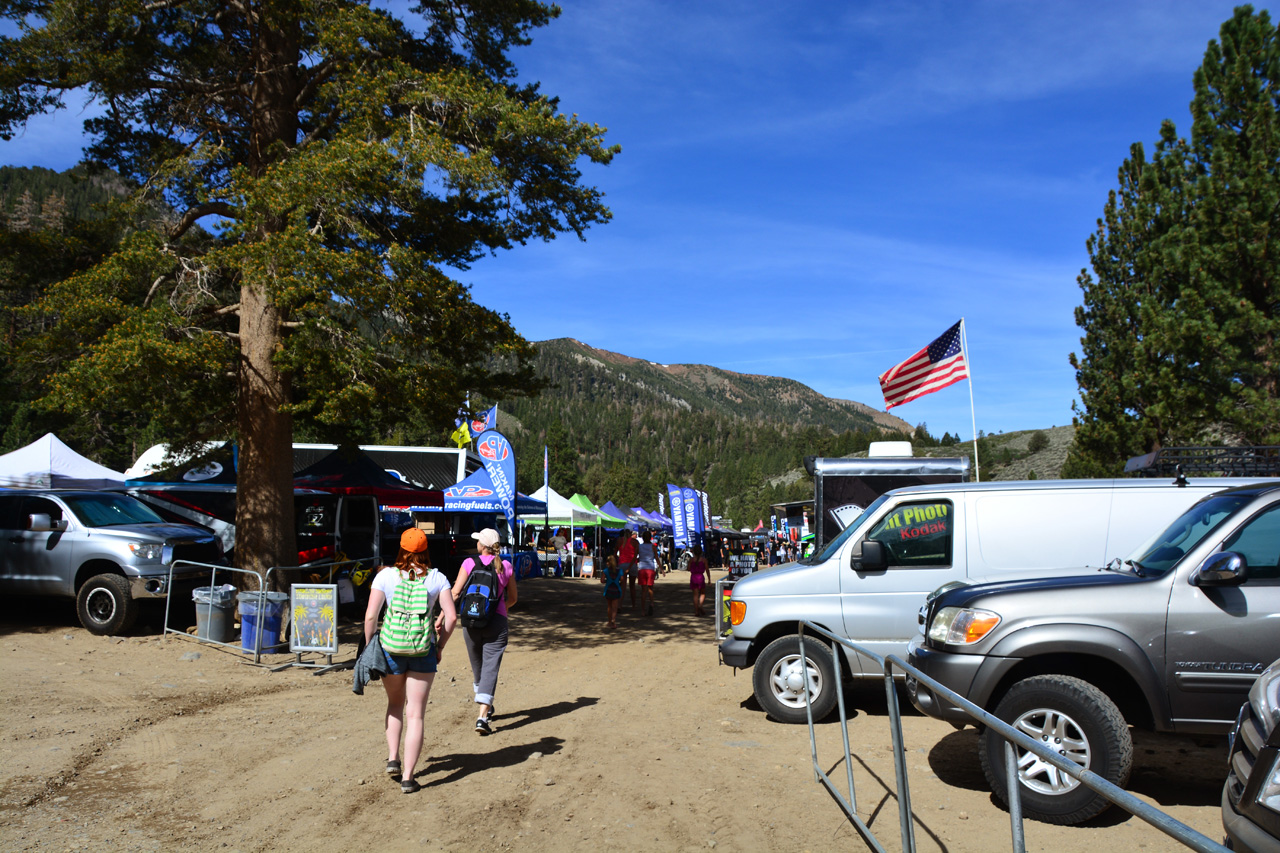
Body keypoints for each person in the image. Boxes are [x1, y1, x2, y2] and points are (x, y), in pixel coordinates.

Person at [363, 527, 456, 794]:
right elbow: (450, 618)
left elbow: (371, 617)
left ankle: (393, 758)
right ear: (426, 550)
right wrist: (439, 647)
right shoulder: (438, 578)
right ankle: (408, 777)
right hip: (422, 651)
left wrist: (371, 648)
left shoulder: (386, 577)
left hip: (391, 649)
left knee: (394, 704)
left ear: (401, 548)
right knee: (416, 714)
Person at [450, 527, 517, 735]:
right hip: (496, 623)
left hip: (470, 622)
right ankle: (482, 716)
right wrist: (498, 611)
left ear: (482, 545)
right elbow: (513, 598)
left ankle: (485, 707)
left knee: (478, 667)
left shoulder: (469, 563)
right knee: (491, 667)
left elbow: (455, 593)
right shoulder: (505, 566)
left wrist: (443, 615)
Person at [636, 530, 658, 616]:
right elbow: (656, 558)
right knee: (650, 589)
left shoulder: (639, 546)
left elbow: (635, 558)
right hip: (650, 568)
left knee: (643, 591)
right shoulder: (653, 547)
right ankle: (652, 603)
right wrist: (661, 569)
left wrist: (629, 567)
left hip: (642, 569)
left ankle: (642, 610)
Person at [617, 529, 639, 610]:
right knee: (632, 586)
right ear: (631, 533)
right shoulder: (635, 542)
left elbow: (615, 552)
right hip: (632, 564)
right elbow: (638, 553)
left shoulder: (619, 540)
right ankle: (633, 605)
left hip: (622, 564)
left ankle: (619, 605)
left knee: (622, 586)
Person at [599, 554, 623, 628]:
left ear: (608, 562)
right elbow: (622, 579)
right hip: (616, 589)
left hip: (608, 589)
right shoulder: (620, 571)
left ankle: (609, 622)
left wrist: (607, 581)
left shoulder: (606, 571)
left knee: (609, 606)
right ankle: (613, 620)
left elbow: (602, 580)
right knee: (615, 607)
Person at [688, 544, 711, 616]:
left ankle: (696, 611)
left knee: (695, 595)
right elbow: (707, 570)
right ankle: (700, 605)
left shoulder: (691, 560)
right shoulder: (704, 560)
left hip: (693, 577)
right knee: (702, 593)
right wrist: (709, 579)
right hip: (701, 577)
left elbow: (688, 569)